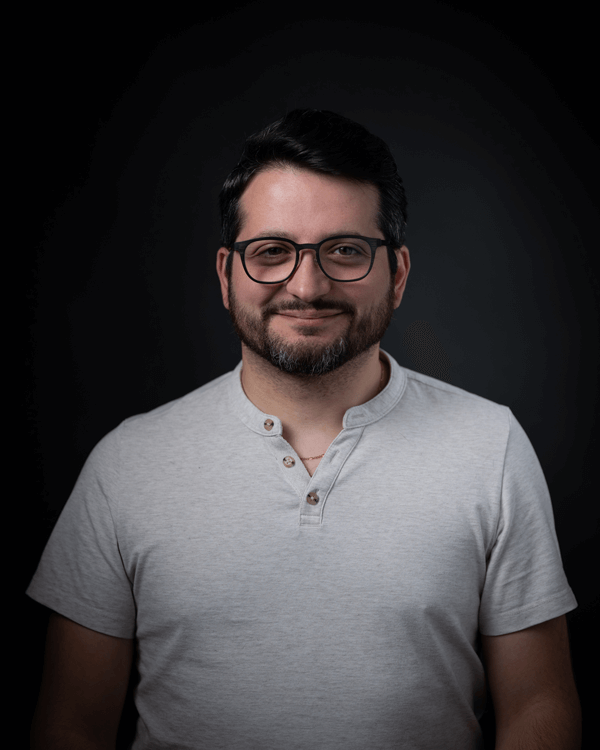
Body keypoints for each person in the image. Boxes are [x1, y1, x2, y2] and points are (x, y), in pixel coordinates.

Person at [28, 109, 581, 749]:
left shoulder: (491, 446)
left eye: (345, 251)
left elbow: (538, 705)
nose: (307, 285)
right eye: (271, 252)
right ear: (226, 275)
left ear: (398, 275)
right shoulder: (127, 465)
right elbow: (72, 723)